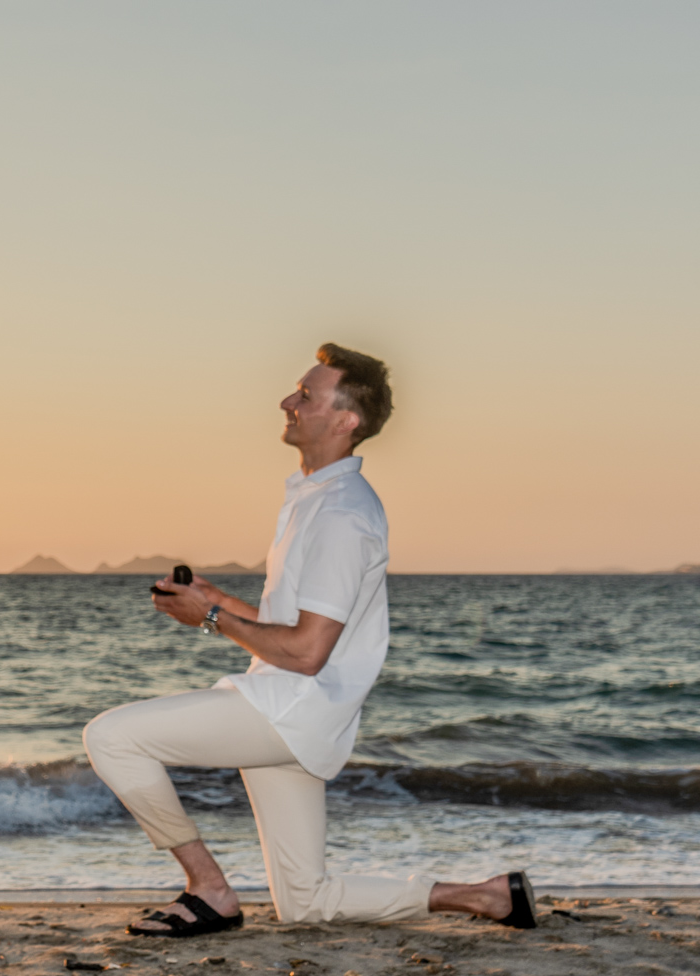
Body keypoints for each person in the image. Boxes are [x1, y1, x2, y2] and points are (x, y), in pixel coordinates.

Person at [82, 343, 536, 937]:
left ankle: (208, 888)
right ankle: (488, 897)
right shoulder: (316, 499)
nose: (286, 402)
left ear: (347, 421)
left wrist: (211, 620)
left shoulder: (343, 514)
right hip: (295, 709)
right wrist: (213, 601)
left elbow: (306, 651)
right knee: (305, 900)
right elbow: (293, 630)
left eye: (305, 395)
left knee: (113, 737)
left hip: (290, 706)